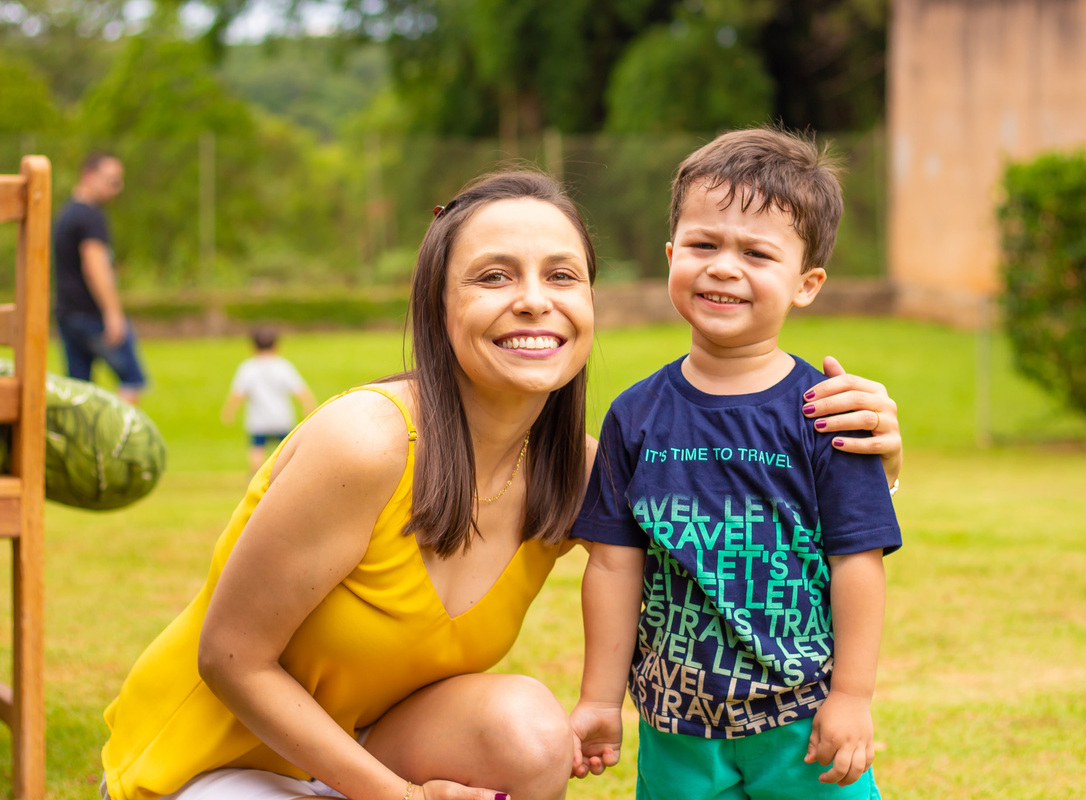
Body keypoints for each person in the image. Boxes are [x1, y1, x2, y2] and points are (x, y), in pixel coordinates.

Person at [100, 169, 903, 800]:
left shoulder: (578, 471)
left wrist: (873, 469)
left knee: (530, 732)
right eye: (493, 276)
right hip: (211, 767)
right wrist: (397, 797)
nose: (533, 302)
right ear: (438, 304)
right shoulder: (368, 441)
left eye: (562, 275)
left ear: (589, 302)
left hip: (369, 747)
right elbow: (230, 658)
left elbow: (741, 541)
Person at [569, 128, 902, 800]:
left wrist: (853, 696)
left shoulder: (829, 414)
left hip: (802, 720)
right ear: (671, 255)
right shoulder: (634, 416)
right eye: (703, 244)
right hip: (676, 727)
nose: (724, 267)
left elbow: (857, 561)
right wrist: (601, 700)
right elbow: (611, 564)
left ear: (806, 285)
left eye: (756, 252)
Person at [52, 152, 148, 405]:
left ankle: (84, 444)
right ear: (89, 175)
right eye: (112, 180)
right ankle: (116, 442)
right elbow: (95, 267)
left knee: (79, 390)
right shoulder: (91, 216)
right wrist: (113, 313)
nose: (118, 187)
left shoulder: (66, 213)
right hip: (92, 315)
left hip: (67, 313)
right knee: (133, 380)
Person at [221, 326, 317, 474]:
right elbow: (300, 390)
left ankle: (255, 476)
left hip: (258, 420)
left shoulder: (248, 368)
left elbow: (237, 393)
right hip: (281, 417)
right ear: (277, 346)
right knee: (286, 449)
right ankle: (287, 475)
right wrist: (309, 407)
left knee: (257, 449)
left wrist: (229, 412)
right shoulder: (283, 366)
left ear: (252, 346)